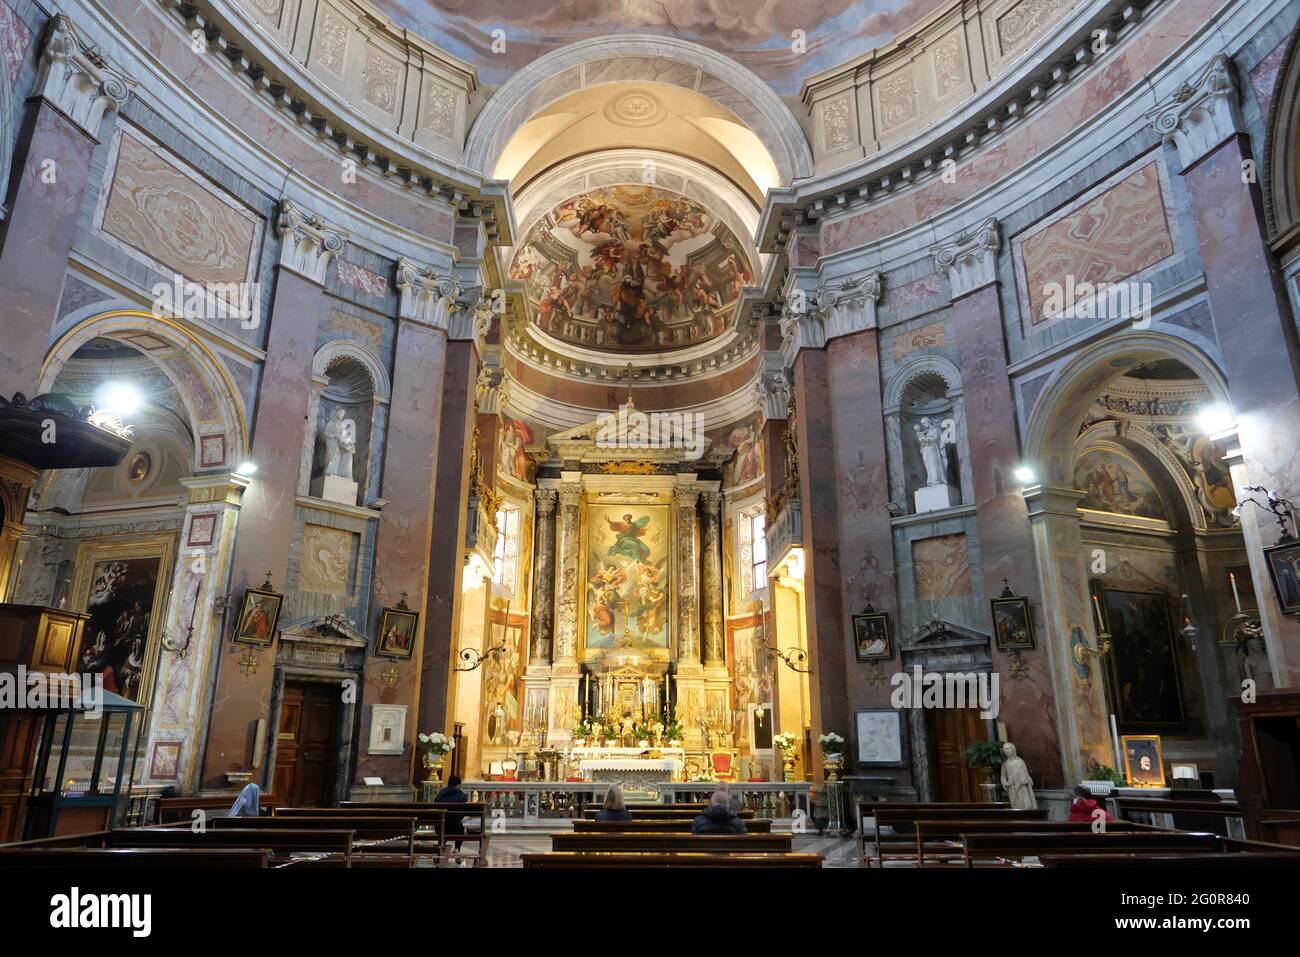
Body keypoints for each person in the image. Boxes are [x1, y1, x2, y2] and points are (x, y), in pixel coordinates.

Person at [434, 775, 470, 859]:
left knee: (444, 827)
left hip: (439, 827)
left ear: (448, 783)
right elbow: (462, 814)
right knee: (460, 828)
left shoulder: (440, 794)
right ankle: (457, 848)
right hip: (456, 827)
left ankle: (440, 849)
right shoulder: (461, 796)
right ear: (458, 785)